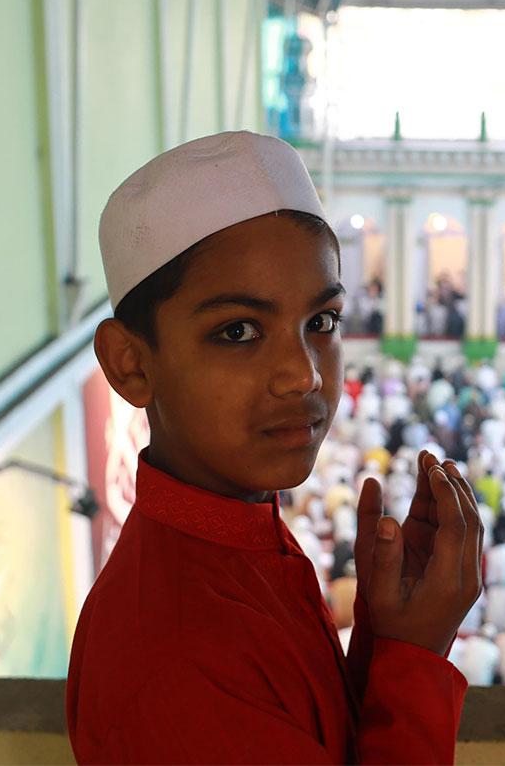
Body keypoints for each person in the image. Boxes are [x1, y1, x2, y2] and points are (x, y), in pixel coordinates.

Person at [67, 133, 483, 764]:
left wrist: (386, 635)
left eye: (322, 322)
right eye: (238, 331)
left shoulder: (240, 534)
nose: (304, 375)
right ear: (130, 363)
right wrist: (416, 659)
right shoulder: (176, 664)